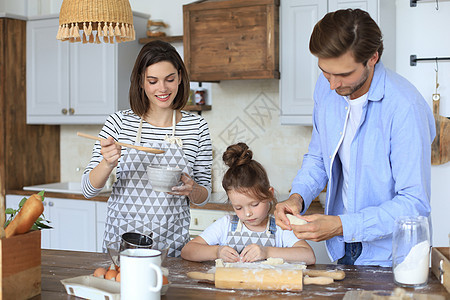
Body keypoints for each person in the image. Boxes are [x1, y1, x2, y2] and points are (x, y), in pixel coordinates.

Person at [274, 9, 436, 266]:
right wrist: (298, 197)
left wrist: (341, 225)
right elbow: (318, 157)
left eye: (344, 74)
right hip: (341, 249)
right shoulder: (326, 89)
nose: (332, 85)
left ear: (373, 58)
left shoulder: (405, 107)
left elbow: (414, 205)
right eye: (326, 72)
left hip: (391, 258)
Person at [81, 40, 213, 257]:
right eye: (153, 81)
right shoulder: (118, 123)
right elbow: (88, 190)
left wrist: (193, 190)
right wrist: (107, 164)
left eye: (170, 79)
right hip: (123, 243)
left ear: (180, 78)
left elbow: (204, 195)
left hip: (172, 244)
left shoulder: (196, 127)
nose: (162, 88)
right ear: (141, 82)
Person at [181, 143, 316, 264]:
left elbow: (309, 256)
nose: (247, 213)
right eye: (238, 207)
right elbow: (188, 251)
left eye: (254, 204)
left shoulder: (279, 228)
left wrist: (267, 252)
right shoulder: (225, 225)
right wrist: (216, 252)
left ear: (269, 194)